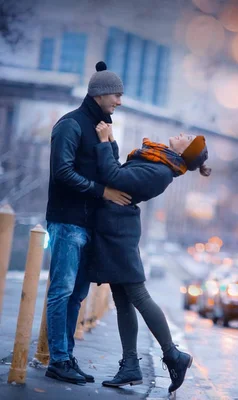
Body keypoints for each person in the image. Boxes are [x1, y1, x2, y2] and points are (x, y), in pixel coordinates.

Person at [89, 122, 210, 393]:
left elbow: (112, 175)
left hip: (119, 234)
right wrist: (109, 142)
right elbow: (120, 171)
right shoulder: (157, 161)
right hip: (114, 229)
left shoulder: (161, 172)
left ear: (186, 151)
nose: (182, 134)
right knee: (123, 300)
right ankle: (130, 365)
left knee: (138, 295)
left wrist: (103, 142)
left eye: (187, 137)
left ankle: (173, 355)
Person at [45, 61, 132, 385]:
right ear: (100, 94)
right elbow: (62, 172)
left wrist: (107, 142)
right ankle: (59, 359)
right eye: (117, 95)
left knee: (76, 295)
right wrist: (102, 191)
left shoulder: (101, 128)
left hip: (89, 224)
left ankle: (65, 356)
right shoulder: (70, 125)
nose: (120, 102)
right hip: (67, 222)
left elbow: (113, 167)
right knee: (62, 291)